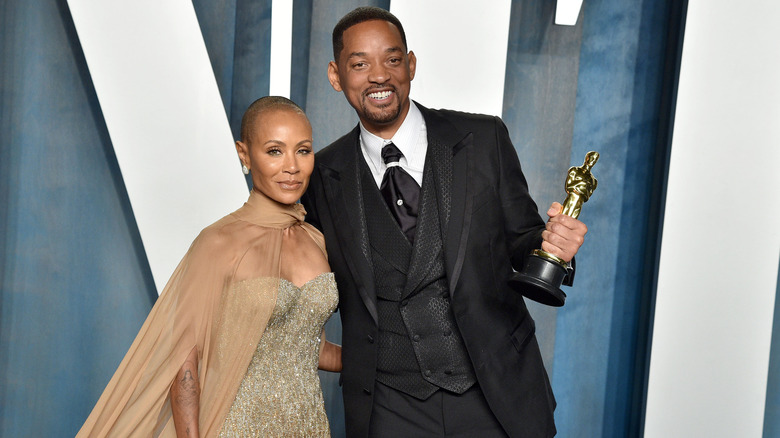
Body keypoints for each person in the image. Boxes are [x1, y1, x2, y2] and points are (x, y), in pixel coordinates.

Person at [301, 7, 588, 438]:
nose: (378, 76)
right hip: (388, 408)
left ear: (411, 65)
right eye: (360, 64)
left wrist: (555, 247)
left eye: (392, 60)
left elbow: (524, 239)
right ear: (336, 75)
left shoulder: (483, 139)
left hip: (495, 393)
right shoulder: (321, 174)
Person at [77, 96, 341, 437]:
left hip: (308, 426)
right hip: (235, 426)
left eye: (302, 151)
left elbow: (310, 348)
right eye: (275, 151)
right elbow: (184, 362)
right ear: (245, 155)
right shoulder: (217, 242)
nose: (292, 166)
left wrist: (394, 359)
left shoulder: (315, 240)